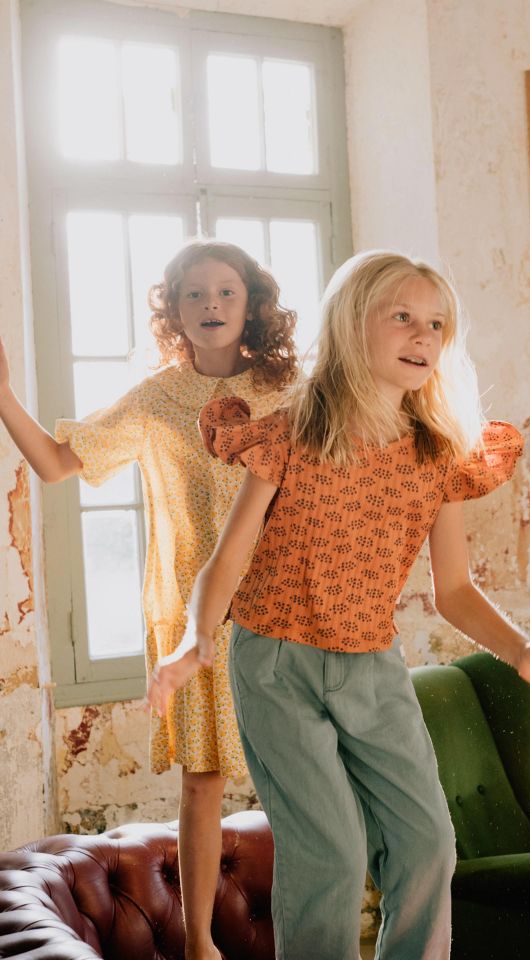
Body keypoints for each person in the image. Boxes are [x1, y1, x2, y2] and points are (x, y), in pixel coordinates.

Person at [147, 250, 530, 960]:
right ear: (354, 325)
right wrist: (192, 639)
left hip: (372, 666)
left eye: (436, 324)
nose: (423, 335)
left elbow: (454, 590)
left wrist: (524, 652)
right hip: (277, 664)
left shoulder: (440, 454)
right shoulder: (292, 433)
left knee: (427, 843)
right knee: (329, 851)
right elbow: (226, 561)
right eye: (403, 317)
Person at [0, 239, 297, 960]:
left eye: (226, 292)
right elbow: (55, 464)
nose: (211, 305)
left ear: (252, 304)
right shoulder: (156, 398)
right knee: (203, 781)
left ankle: (306, 936)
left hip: (283, 606)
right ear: (174, 309)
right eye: (194, 293)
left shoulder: (288, 391)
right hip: (190, 615)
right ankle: (199, 946)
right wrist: (3, 396)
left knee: (297, 781)